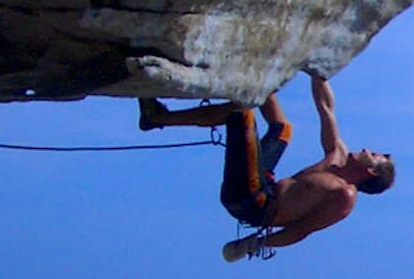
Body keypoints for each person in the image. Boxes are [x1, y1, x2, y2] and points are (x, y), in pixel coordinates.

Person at [138, 73, 395, 262]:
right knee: (282, 128)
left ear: (371, 172)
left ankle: (158, 117)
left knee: (242, 110)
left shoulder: (344, 197)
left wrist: (254, 243)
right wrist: (318, 70)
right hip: (263, 183)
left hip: (254, 201)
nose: (364, 150)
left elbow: (300, 230)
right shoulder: (336, 155)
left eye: (372, 155)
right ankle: (258, 76)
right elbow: (325, 106)